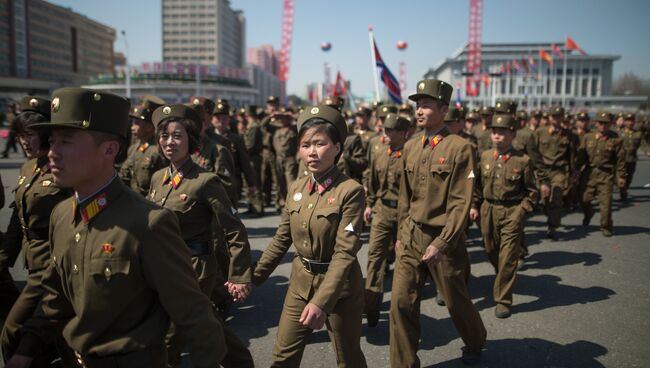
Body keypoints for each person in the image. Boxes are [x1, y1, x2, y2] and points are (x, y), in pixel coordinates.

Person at [5, 87, 226, 368]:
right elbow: (55, 296)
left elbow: (193, 315)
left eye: (66, 141)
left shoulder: (148, 223)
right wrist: (26, 350)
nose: (53, 152)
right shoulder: (62, 215)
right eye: (52, 141)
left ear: (109, 149)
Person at [251, 105, 367, 367]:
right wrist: (252, 278)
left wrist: (322, 302)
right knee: (282, 357)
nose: (311, 152)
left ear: (337, 148)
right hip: (300, 284)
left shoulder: (351, 191)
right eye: (305, 145)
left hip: (339, 291)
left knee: (348, 359)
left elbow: (345, 252)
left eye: (320, 143)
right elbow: (282, 238)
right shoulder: (297, 187)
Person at [149, 104, 254, 367]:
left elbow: (233, 228)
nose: (169, 142)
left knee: (171, 336)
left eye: (177, 136)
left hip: (195, 267)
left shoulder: (205, 181)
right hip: (162, 266)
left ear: (190, 140)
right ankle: (241, 362)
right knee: (208, 323)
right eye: (164, 136)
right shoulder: (158, 178)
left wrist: (238, 275)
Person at [391, 79, 486, 367]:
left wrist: (442, 243)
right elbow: (404, 198)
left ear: (443, 109)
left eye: (426, 106)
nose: (419, 111)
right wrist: (400, 234)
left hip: (443, 240)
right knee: (400, 303)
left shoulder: (460, 148)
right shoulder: (410, 146)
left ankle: (475, 339)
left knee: (455, 301)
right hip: (411, 235)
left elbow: (460, 202)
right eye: (417, 106)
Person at [0, 96, 73, 366]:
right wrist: (3, 259)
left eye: (30, 135)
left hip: (52, 268)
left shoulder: (63, 168)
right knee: (58, 341)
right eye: (20, 135)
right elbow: (17, 223)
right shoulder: (28, 167)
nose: (24, 141)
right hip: (33, 264)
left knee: (14, 333)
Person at [477, 114, 537, 319]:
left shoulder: (523, 160)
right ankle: (502, 275)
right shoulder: (484, 157)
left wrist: (522, 211)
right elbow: (476, 185)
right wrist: (473, 206)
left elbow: (532, 192)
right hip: (488, 210)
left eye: (502, 132)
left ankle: (503, 299)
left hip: (512, 211)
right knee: (490, 248)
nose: (497, 136)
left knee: (508, 256)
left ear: (512, 134)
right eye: (494, 132)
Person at [363, 113, 410, 327]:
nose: (387, 134)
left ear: (403, 133)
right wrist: (369, 204)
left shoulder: (412, 155)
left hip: (404, 214)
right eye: (385, 130)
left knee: (405, 259)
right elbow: (372, 179)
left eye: (392, 130)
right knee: (374, 257)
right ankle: (371, 307)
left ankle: (403, 309)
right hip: (382, 210)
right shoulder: (379, 152)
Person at [577, 112, 626, 237]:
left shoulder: (616, 139)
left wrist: (621, 176)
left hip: (606, 174)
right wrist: (576, 171)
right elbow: (581, 158)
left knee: (606, 203)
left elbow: (620, 160)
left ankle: (606, 226)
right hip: (589, 173)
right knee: (583, 200)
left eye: (606, 123)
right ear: (596, 123)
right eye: (600, 123)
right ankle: (589, 213)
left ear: (610, 124)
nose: (603, 126)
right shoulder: (588, 137)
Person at [532, 106, 578, 239]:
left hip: (559, 171)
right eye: (553, 116)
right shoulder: (540, 133)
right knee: (545, 198)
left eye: (559, 116)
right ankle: (550, 216)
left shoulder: (569, 135)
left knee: (556, 196)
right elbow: (534, 153)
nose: (556, 119)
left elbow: (571, 155)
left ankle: (553, 227)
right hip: (543, 170)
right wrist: (535, 170)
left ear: (562, 117)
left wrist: (572, 172)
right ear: (549, 117)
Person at [212, 100, 259, 206]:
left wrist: (251, 184)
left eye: (224, 117)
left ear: (229, 119)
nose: (221, 121)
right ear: (212, 119)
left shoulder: (236, 139)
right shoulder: (207, 138)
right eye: (218, 117)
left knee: (231, 215)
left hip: (232, 184)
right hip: (212, 184)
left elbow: (245, 163)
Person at [118, 96, 167, 196]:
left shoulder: (158, 150)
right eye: (132, 123)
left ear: (149, 127)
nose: (132, 127)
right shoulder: (133, 148)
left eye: (137, 123)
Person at [271, 107, 298, 210]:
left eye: (285, 118)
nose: (283, 120)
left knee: (291, 183)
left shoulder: (294, 129)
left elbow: (304, 121)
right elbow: (263, 125)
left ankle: (293, 204)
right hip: (278, 159)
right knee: (280, 183)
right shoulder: (276, 129)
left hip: (289, 159)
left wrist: (290, 114)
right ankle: (283, 204)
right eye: (281, 118)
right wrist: (273, 115)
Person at [619, 112, 643, 200]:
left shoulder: (638, 133)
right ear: (624, 122)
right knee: (622, 176)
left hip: (632, 159)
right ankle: (622, 191)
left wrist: (647, 151)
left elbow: (643, 144)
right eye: (628, 121)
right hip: (621, 159)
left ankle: (625, 189)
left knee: (629, 177)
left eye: (631, 120)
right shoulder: (619, 133)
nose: (630, 123)